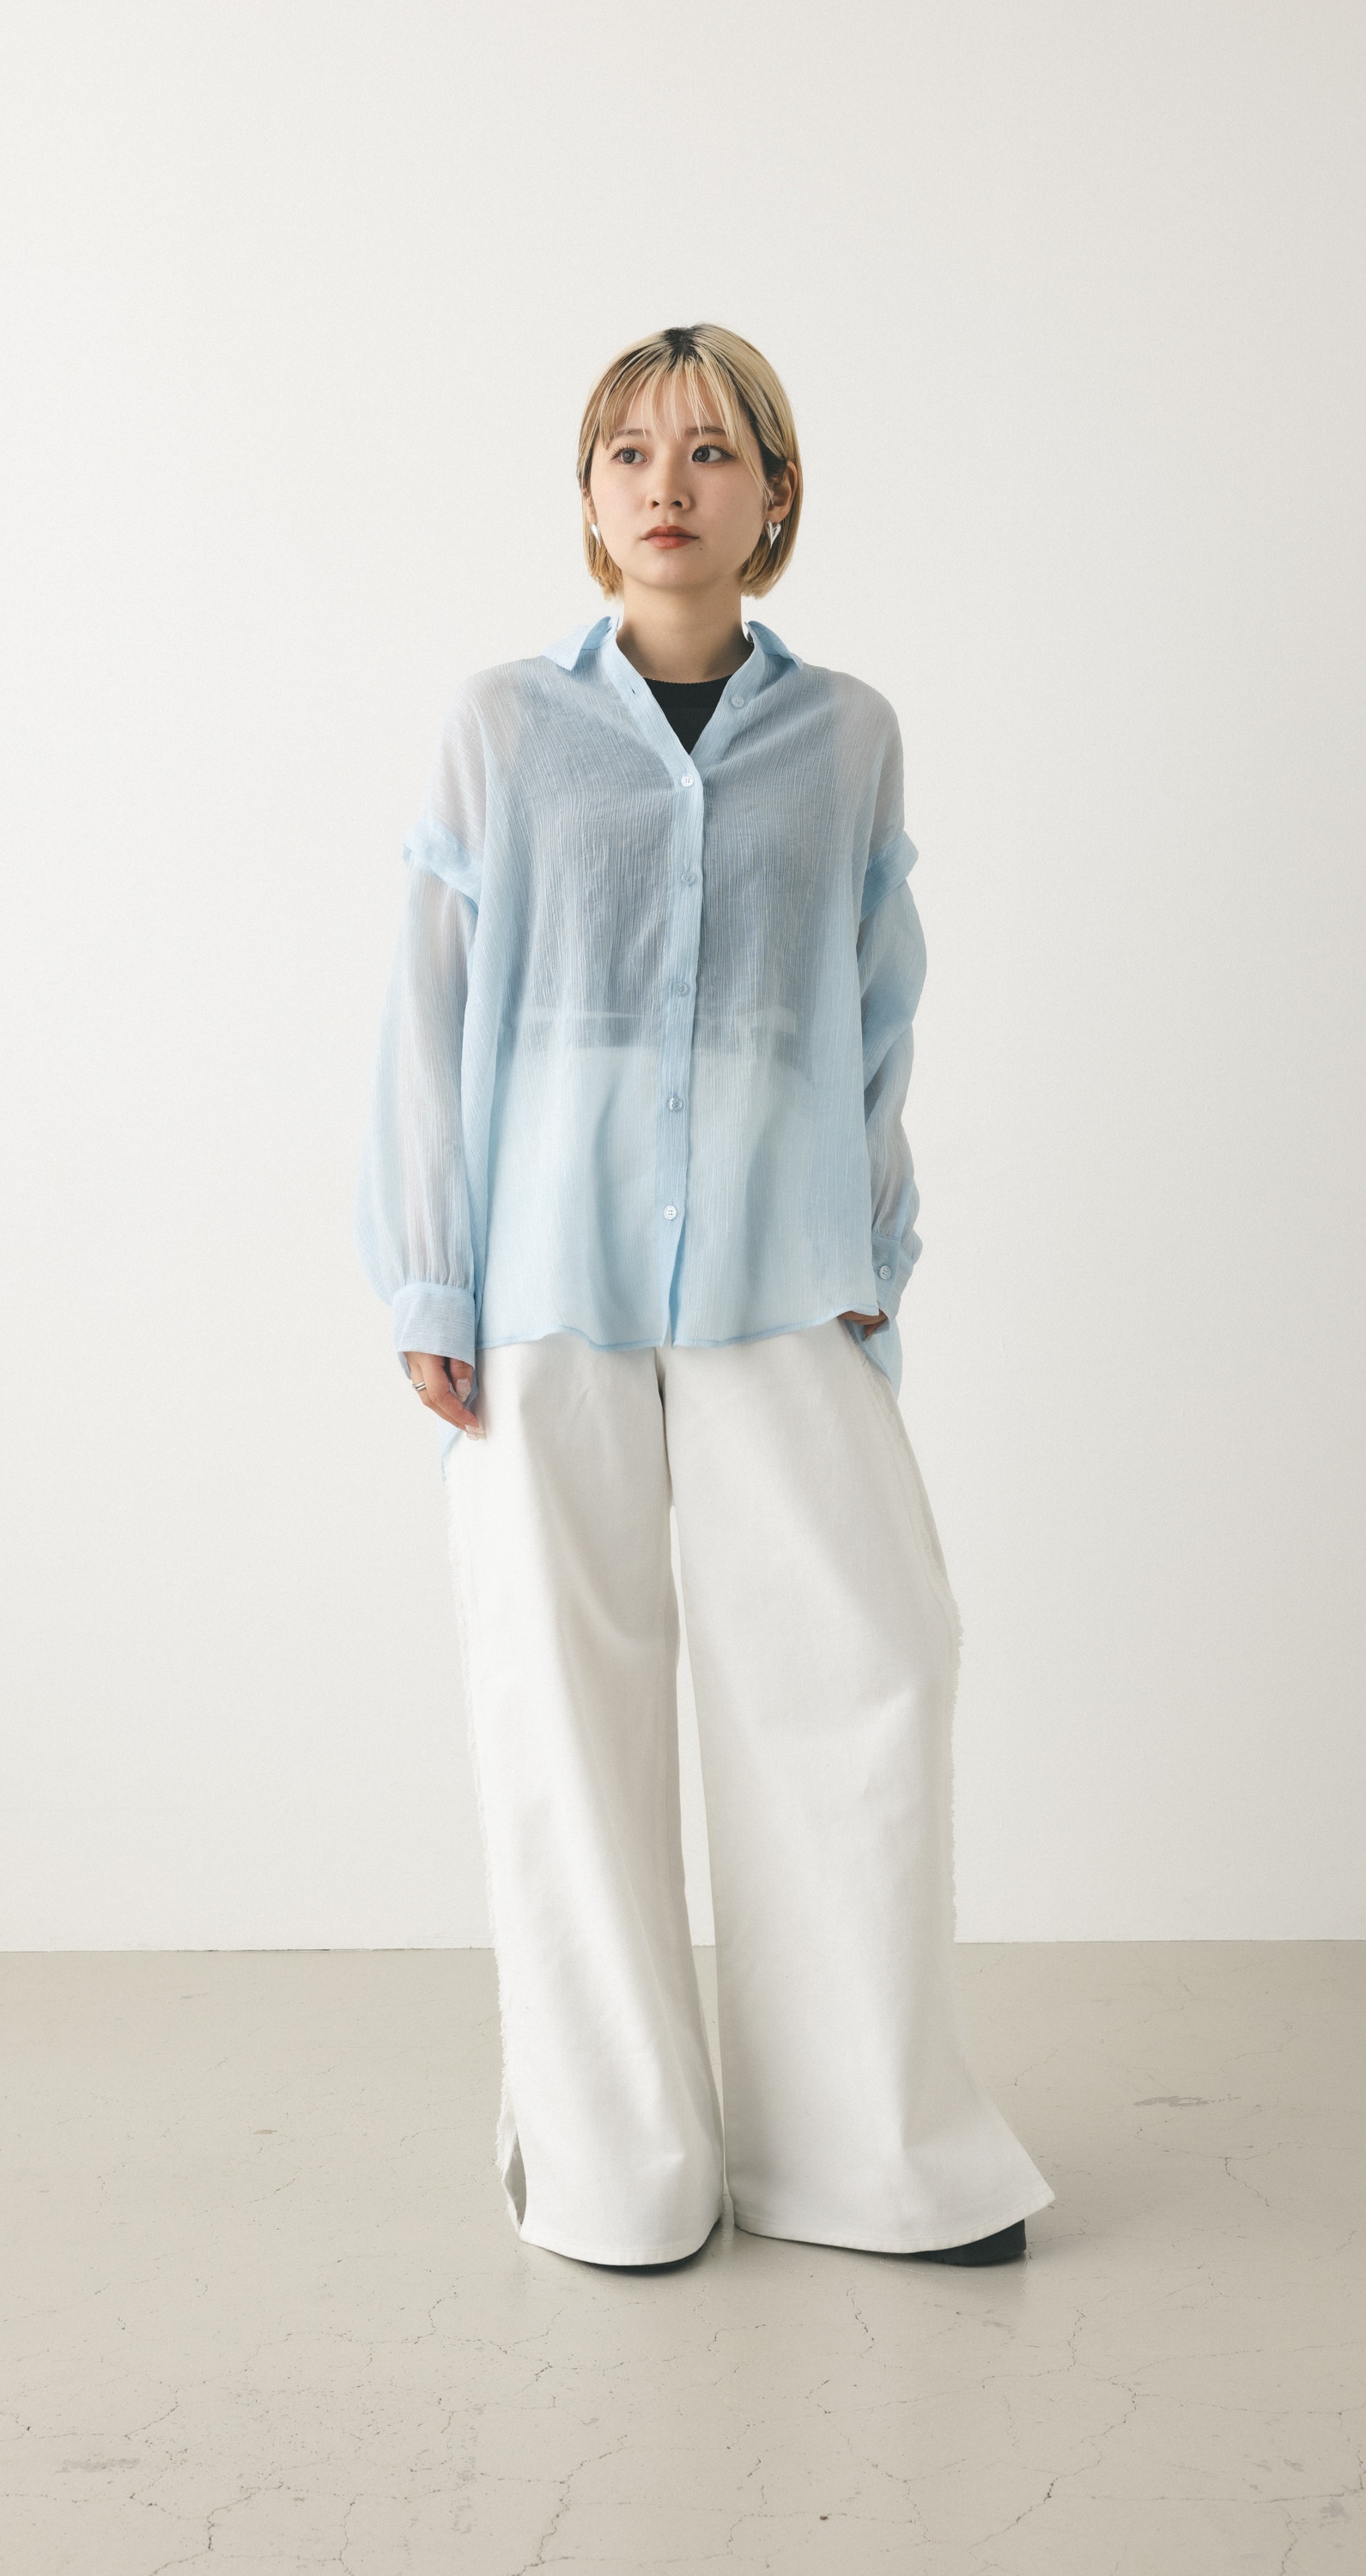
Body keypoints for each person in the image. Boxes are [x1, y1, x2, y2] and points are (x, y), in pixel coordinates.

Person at [355, 323, 1053, 2270]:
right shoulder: (504, 726)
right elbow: (427, 1007)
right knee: (564, 1710)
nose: (669, 482)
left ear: (776, 495)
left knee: (866, 1666)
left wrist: (875, 1252)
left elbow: (876, 1012)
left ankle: (864, 2157)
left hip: (781, 1267)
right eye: (630, 452)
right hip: (542, 1281)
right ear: (590, 500)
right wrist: (430, 1265)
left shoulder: (850, 738)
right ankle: (621, 2169)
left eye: (714, 449)